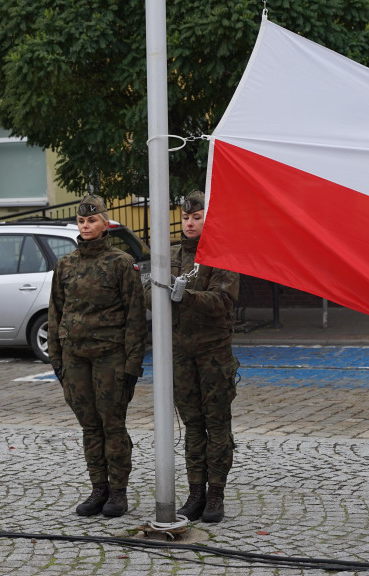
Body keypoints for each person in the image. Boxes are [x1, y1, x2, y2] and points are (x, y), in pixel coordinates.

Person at [48, 194, 147, 518]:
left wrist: (133, 366)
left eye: (92, 220)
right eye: (81, 221)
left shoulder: (120, 263)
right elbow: (55, 313)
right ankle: (98, 488)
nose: (86, 225)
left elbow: (135, 318)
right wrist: (57, 360)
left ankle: (118, 492)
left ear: (105, 223)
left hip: (110, 357)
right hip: (76, 358)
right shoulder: (66, 265)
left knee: (112, 425)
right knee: (89, 426)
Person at [148, 191, 240, 523]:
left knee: (216, 425)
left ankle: (215, 493)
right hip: (181, 355)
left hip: (213, 355)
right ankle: (195, 492)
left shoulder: (222, 256)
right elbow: (149, 290)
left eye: (196, 217)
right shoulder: (169, 254)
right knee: (192, 425)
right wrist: (159, 291)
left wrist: (185, 296)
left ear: (208, 220)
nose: (189, 222)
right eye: (186, 217)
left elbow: (222, 301)